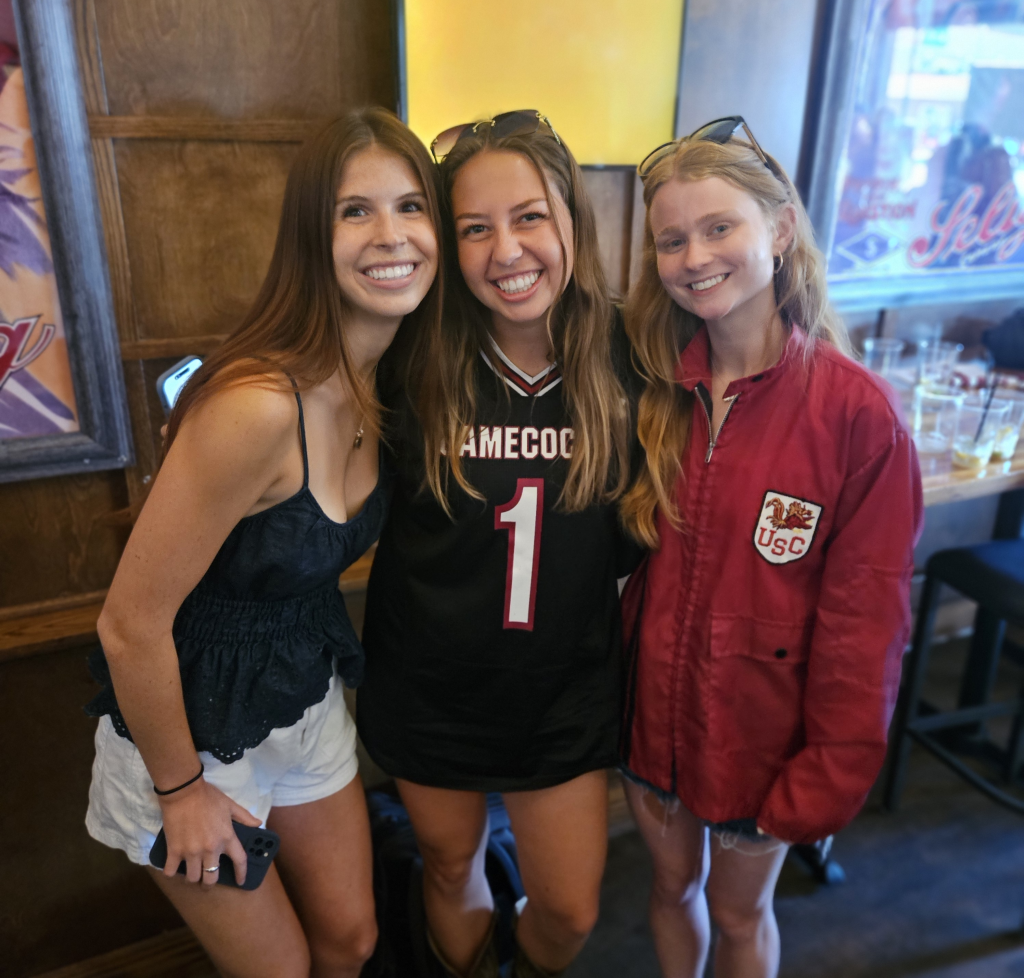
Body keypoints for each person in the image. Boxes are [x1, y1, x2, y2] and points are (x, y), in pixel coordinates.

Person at [83, 108, 442, 978]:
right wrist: (180, 792)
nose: (391, 234)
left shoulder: (387, 382)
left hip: (297, 694)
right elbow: (129, 627)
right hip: (185, 731)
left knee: (352, 940)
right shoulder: (257, 405)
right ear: (311, 237)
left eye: (411, 206)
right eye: (354, 211)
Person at [618, 117, 923, 978]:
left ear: (781, 229)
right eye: (672, 240)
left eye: (719, 228)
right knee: (670, 888)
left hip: (761, 738)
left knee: (739, 915)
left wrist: (829, 769)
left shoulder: (858, 416)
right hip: (651, 720)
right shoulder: (652, 387)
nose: (694, 257)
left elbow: (867, 627)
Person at [358, 111, 637, 978]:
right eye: (475, 228)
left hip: (563, 691)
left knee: (570, 908)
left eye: (529, 217)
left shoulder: (633, 354)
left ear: (572, 219)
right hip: (430, 684)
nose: (506, 250)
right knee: (449, 865)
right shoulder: (408, 352)